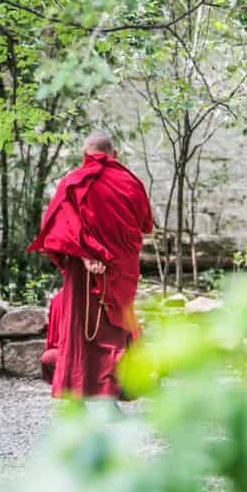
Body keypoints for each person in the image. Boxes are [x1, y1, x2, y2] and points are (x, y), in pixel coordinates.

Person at [28, 133, 153, 400]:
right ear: (114, 154)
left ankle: (78, 392)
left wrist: (85, 254)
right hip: (120, 269)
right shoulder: (131, 183)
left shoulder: (72, 182)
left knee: (82, 331)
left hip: (83, 270)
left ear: (85, 153)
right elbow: (144, 223)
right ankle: (114, 392)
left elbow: (59, 228)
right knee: (116, 327)